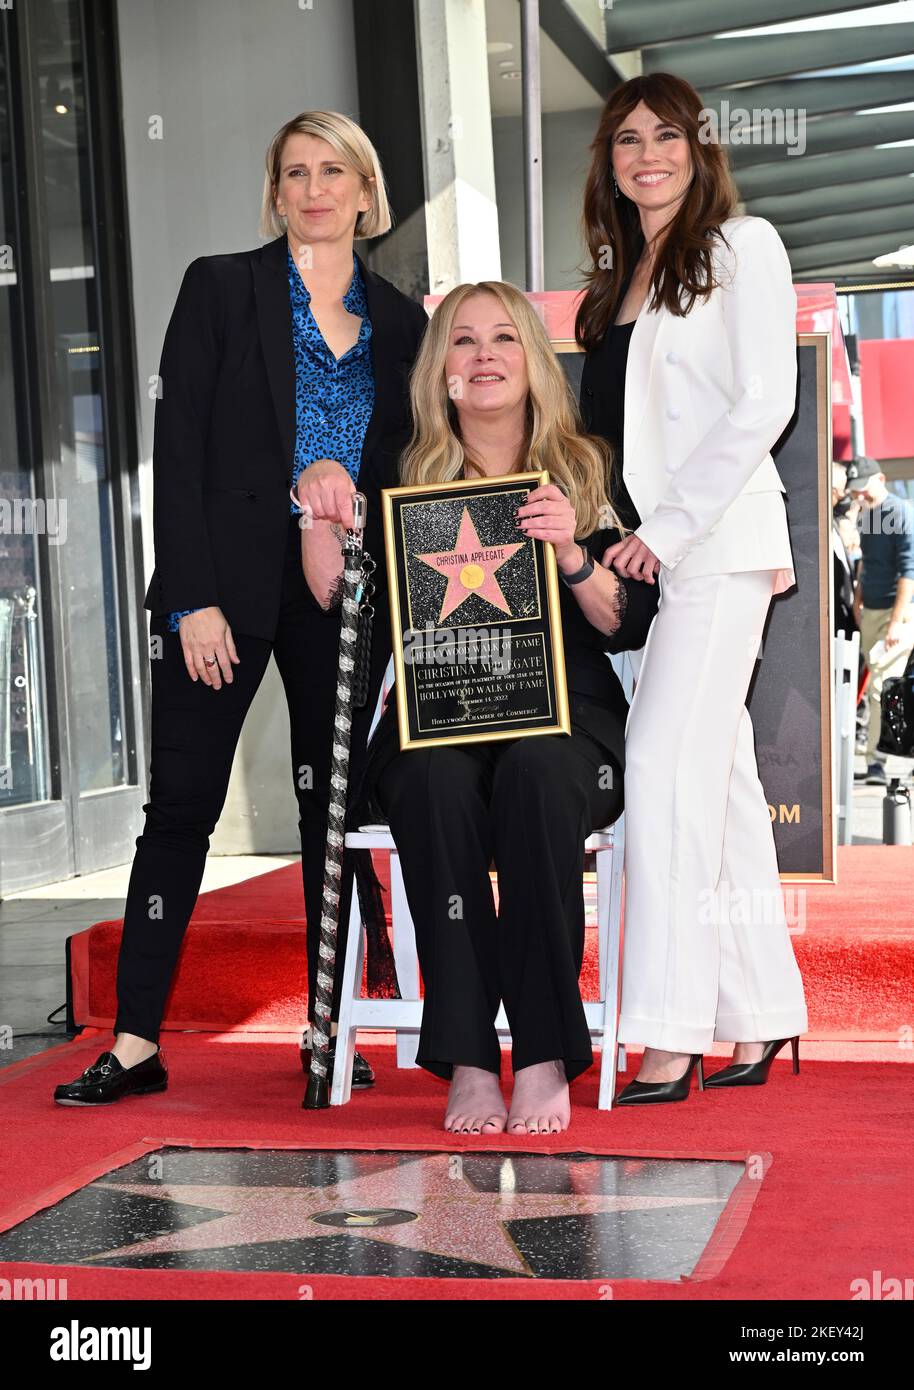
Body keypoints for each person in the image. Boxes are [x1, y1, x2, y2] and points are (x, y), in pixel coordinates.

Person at [54, 111, 427, 1107]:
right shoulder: (220, 287)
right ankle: (135, 1042)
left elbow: (406, 468)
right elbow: (176, 453)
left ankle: (330, 1028)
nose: (312, 187)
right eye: (293, 171)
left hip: (341, 601)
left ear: (363, 190)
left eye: (332, 170)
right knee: (179, 809)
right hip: (220, 593)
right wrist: (191, 601)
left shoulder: (401, 322)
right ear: (274, 191)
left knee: (330, 816)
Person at [305, 280, 658, 1135]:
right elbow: (334, 595)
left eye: (505, 338)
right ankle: (467, 1054)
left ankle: (541, 1051)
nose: (485, 355)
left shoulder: (589, 465)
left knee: (539, 774)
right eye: (463, 341)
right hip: (442, 714)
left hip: (565, 719)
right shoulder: (397, 465)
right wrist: (315, 500)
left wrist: (573, 552)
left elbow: (625, 621)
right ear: (442, 368)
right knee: (428, 781)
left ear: (533, 361)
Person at [578, 72, 808, 1102]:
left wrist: (662, 535)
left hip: (713, 548)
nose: (646, 155)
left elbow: (764, 400)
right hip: (669, 558)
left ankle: (670, 1028)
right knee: (717, 794)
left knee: (659, 769)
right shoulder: (623, 275)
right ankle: (758, 1012)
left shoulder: (737, 247)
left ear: (698, 147)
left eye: (663, 136)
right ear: (609, 160)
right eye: (626, 140)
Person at [848, 456, 914, 786]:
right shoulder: (866, 515)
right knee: (883, 685)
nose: (860, 496)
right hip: (872, 610)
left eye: (863, 489)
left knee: (880, 687)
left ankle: (876, 761)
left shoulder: (900, 512)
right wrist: (858, 600)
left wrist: (895, 623)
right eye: (855, 491)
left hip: (895, 612)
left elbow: (908, 571)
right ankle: (879, 757)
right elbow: (866, 563)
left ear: (882, 479)